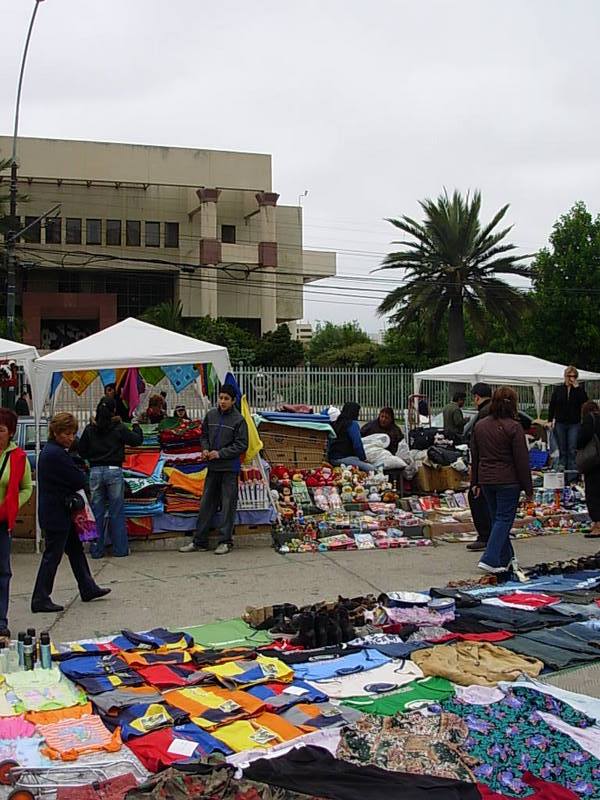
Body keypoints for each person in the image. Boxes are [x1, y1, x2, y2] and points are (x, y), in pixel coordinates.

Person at [31, 413, 110, 613]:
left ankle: (87, 586)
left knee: (75, 550)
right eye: (66, 433)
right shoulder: (56, 454)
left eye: (73, 433)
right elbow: (78, 479)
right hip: (56, 513)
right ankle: (40, 597)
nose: (70, 437)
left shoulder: (54, 451)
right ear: (56, 433)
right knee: (52, 556)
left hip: (61, 512)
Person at [179, 384, 248, 556]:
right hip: (212, 467)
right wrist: (205, 449)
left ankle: (225, 542)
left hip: (229, 469)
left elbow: (241, 445)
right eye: (221, 397)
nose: (222, 401)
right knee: (206, 504)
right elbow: (203, 435)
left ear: (233, 401)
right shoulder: (211, 415)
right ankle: (199, 541)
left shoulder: (239, 420)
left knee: (227, 506)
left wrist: (220, 453)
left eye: (226, 399)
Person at [471, 386, 533, 574]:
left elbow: (475, 456)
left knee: (497, 519)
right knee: (504, 520)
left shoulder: (480, 425)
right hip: (508, 479)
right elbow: (521, 460)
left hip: (486, 479)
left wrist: (475, 482)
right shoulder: (514, 427)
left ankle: (507, 559)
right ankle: (490, 558)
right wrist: (528, 488)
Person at [78, 399, 143, 558]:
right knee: (116, 511)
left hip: (95, 471)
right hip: (114, 471)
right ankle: (120, 549)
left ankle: (96, 550)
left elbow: (81, 450)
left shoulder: (89, 429)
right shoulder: (119, 428)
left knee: (96, 512)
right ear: (114, 411)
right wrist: (136, 426)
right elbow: (136, 440)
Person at [0, 409, 32, 637]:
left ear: (10, 432)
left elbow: (27, 488)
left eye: (0, 430)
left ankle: (1, 621)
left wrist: (12, 506)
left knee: (2, 573)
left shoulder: (18, 457)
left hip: (2, 522)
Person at [465, 383, 493, 552]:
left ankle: (485, 536)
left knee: (476, 497)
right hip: (499, 466)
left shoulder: (483, 415)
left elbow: (476, 447)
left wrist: (474, 478)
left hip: (485, 464)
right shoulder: (497, 410)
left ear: (476, 397)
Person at [548, 366, 588, 479]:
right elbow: (552, 405)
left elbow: (585, 402)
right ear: (565, 376)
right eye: (569, 376)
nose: (571, 378)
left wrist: (577, 388)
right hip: (560, 422)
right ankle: (562, 476)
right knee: (562, 449)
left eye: (574, 376)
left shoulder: (579, 390)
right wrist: (550, 420)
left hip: (574, 423)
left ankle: (572, 477)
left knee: (572, 449)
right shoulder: (559, 389)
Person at [328, 402, 374, 472]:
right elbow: (357, 445)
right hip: (344, 458)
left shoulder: (337, 422)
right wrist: (363, 459)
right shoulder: (352, 424)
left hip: (332, 458)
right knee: (372, 469)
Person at [577, 400, 600, 539]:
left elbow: (582, 438)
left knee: (593, 493)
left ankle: (597, 525)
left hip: (594, 462)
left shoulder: (589, 419)